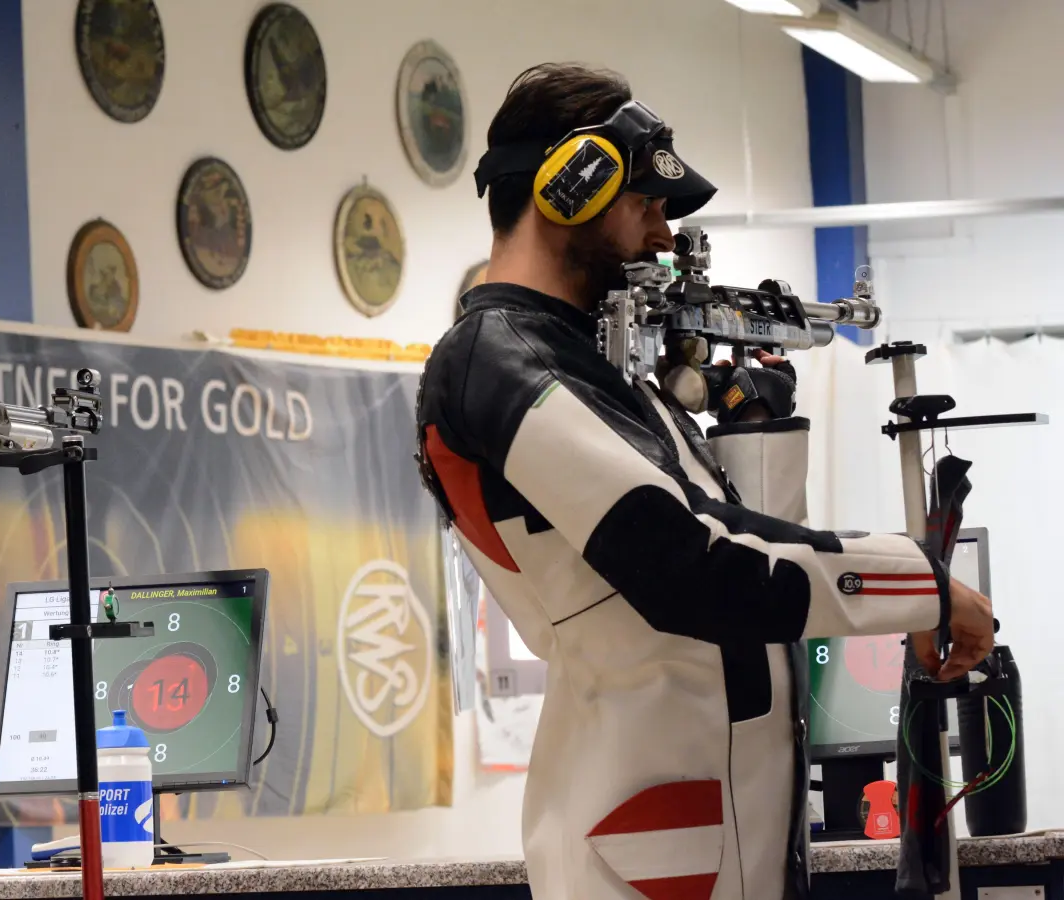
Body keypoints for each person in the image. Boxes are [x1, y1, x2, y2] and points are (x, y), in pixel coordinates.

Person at [416, 64, 994, 900]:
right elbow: (697, 565)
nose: (663, 232)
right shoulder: (496, 364)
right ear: (568, 189)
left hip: (703, 832)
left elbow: (734, 543)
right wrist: (922, 583)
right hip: (648, 849)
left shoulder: (587, 372)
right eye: (646, 203)